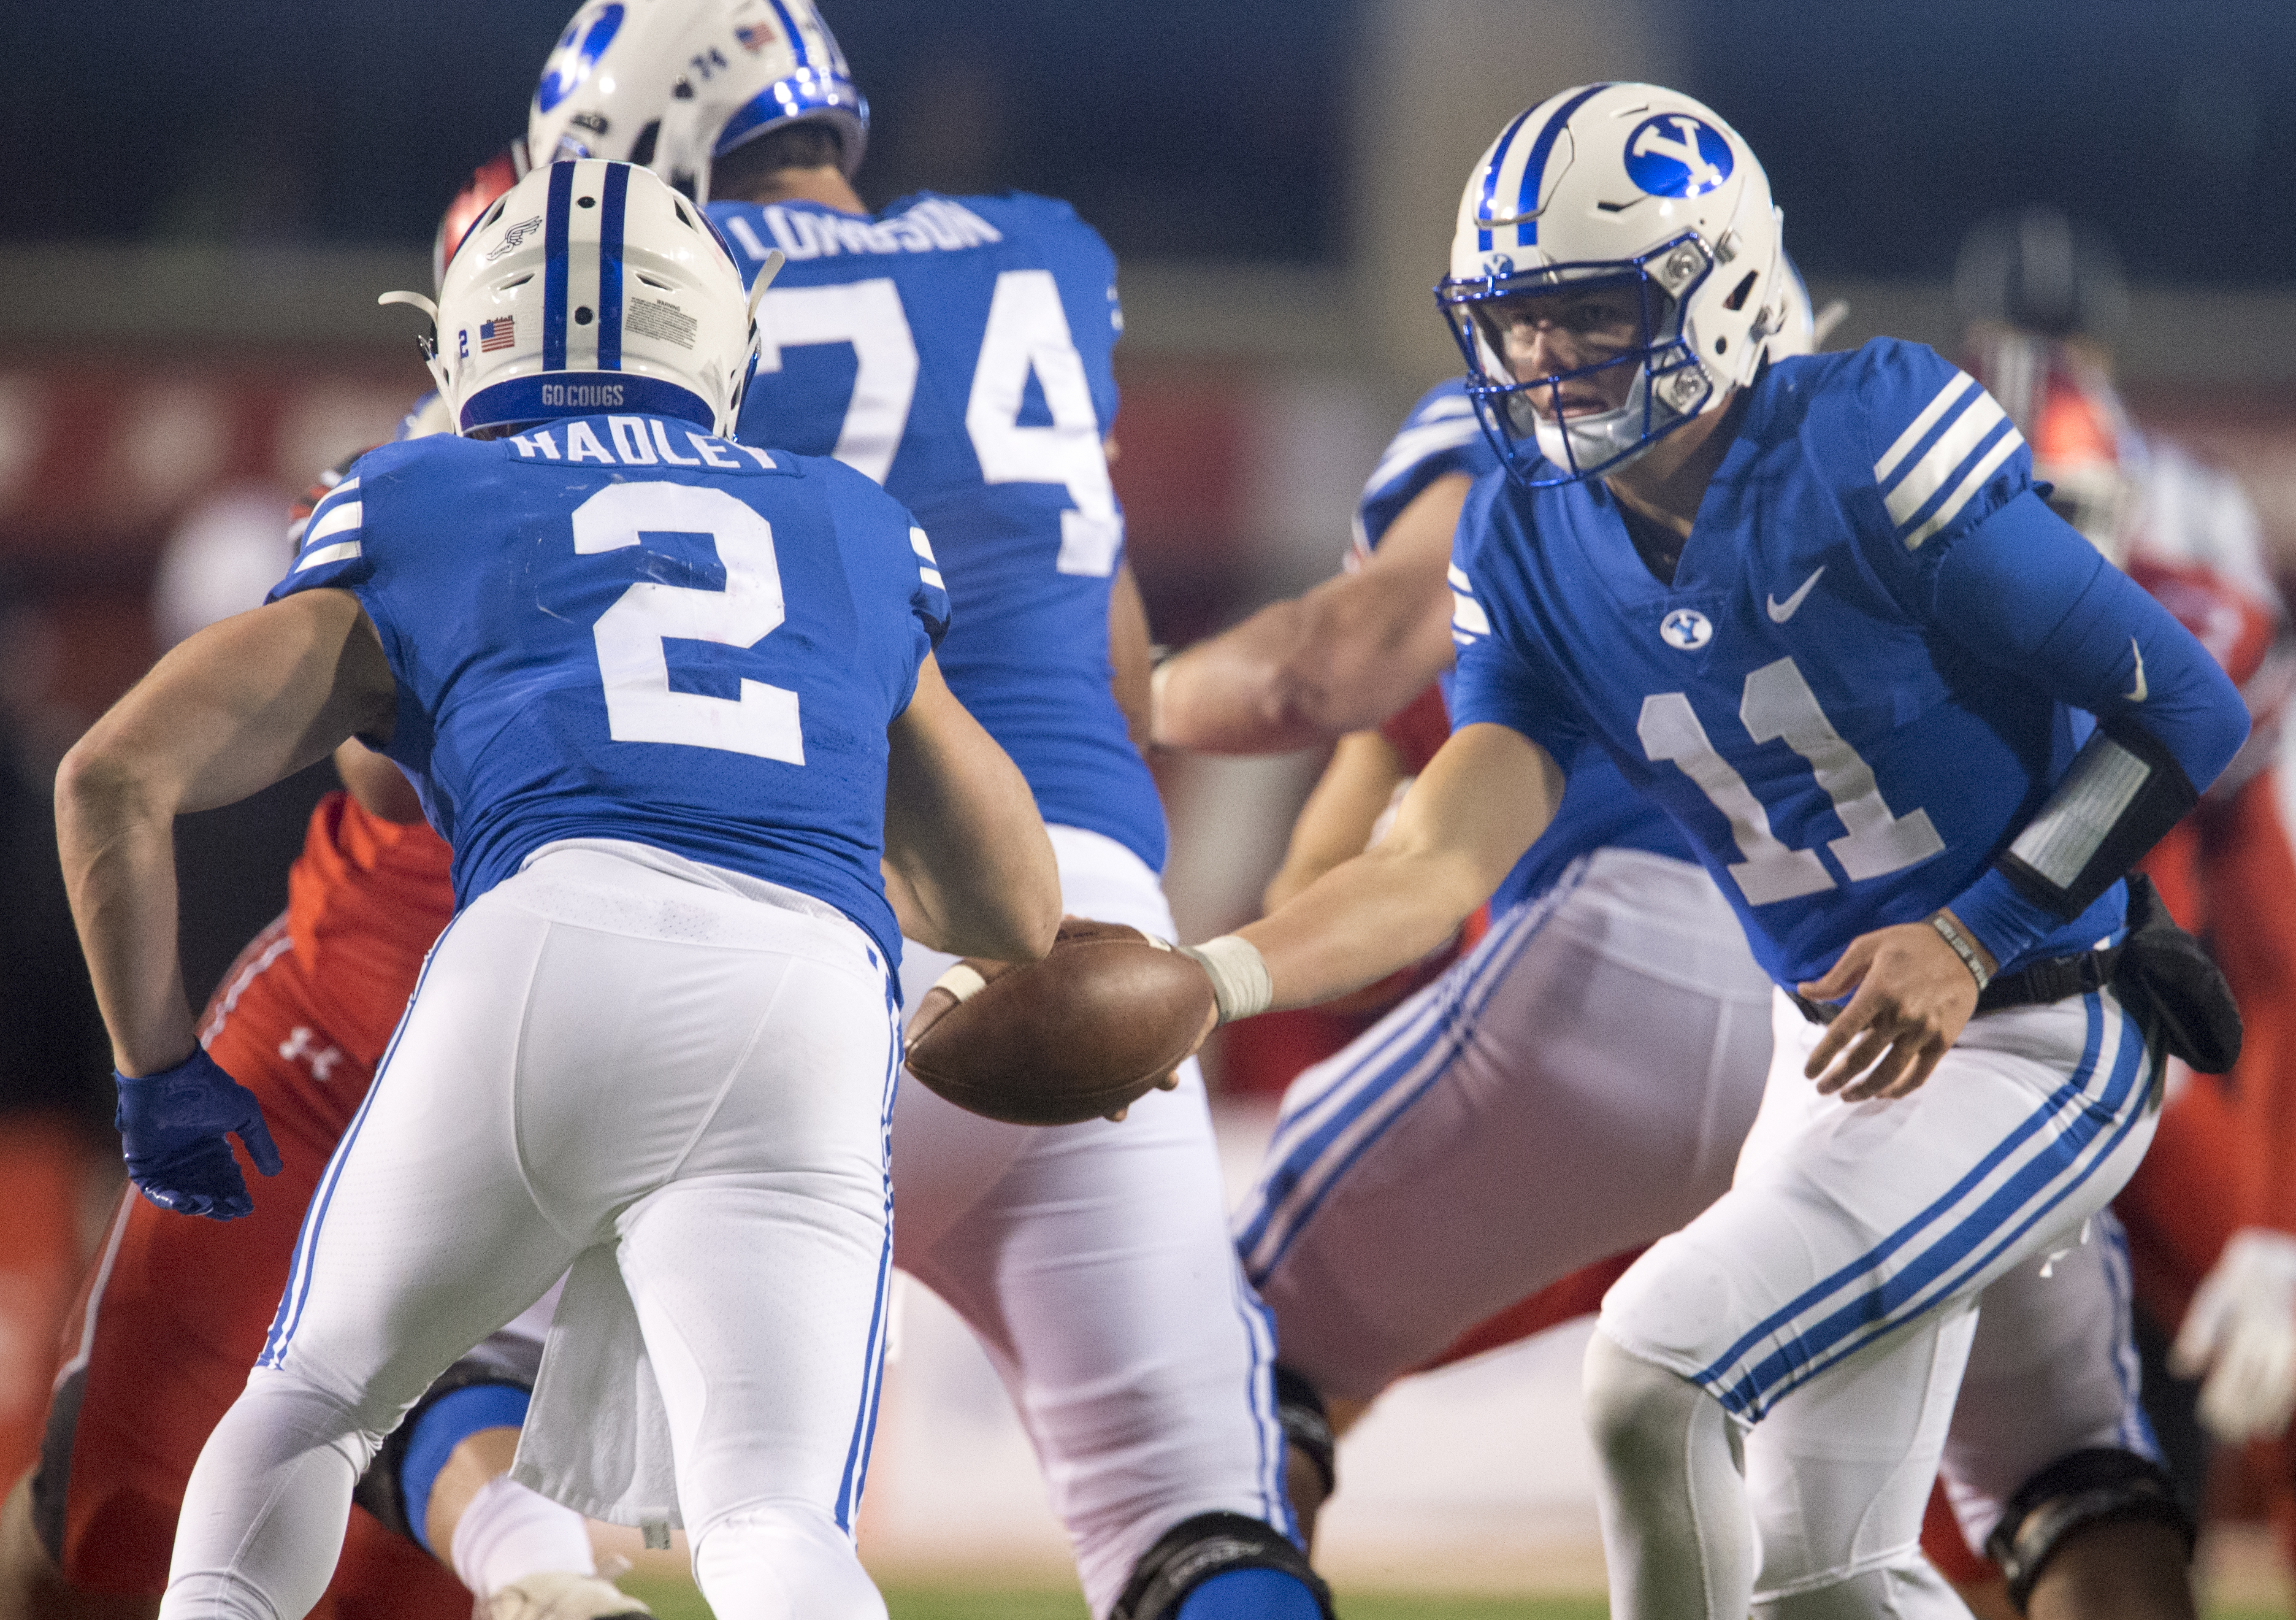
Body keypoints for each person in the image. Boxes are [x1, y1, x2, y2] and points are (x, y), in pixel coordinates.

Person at [1158, 83, 2249, 1620]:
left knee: (1656, 1365)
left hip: (2038, 1012)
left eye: (1586, 312)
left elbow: (2183, 706)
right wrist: (1212, 976)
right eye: (1515, 320)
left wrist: (1974, 931)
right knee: (1825, 1580)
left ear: (1722, 287)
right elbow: (1440, 857)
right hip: (1841, 1053)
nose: (1541, 358)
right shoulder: (1525, 532)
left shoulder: (1869, 435)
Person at [54, 158, 1061, 1620]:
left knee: (314, 1403)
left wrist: (153, 1070)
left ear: (471, 333)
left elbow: (114, 775)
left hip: (554, 937)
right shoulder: (847, 521)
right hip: (813, 992)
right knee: (776, 1516)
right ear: (716, 330)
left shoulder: (415, 490)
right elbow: (1018, 908)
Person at [525, 6, 1330, 1616]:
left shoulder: (643, 300)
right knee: (1194, 1520)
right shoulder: (1041, 254)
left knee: (437, 1356)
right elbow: (1105, 639)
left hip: (827, 933)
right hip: (1096, 919)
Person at [0, 142, 660, 1620]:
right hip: (433, 1037)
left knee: (220, 1514)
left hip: (423, 1040)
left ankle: (532, 1564)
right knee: (108, 1506)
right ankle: (539, 1568)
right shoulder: (749, 508)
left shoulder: (414, 488)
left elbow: (141, 771)